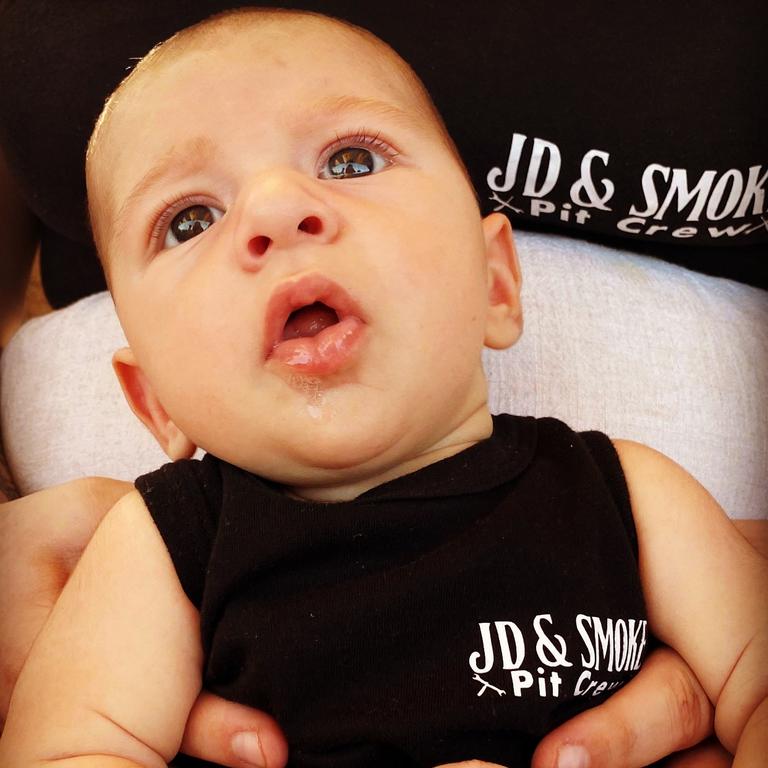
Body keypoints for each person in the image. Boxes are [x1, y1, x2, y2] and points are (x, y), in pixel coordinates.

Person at [0, 8, 765, 768]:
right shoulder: (164, 549)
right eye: (191, 219)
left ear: (495, 282)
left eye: (351, 162)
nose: (276, 209)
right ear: (154, 401)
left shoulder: (628, 495)